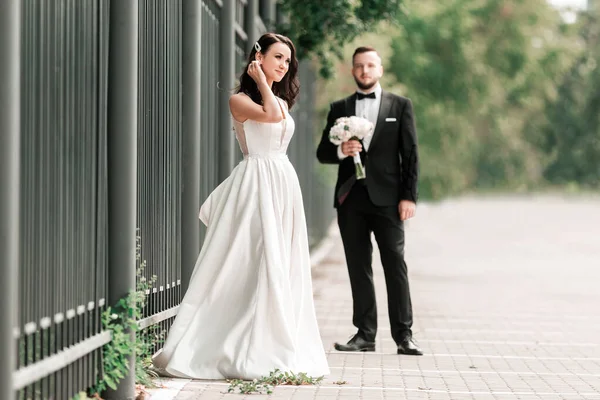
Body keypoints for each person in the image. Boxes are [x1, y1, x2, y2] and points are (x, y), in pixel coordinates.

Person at [153, 33, 330, 380]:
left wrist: (268, 85)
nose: (282, 65)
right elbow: (271, 117)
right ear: (258, 57)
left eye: (287, 61)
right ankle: (228, 344)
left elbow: (277, 113)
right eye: (277, 57)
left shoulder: (278, 98)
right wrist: (262, 82)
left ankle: (271, 340)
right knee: (252, 258)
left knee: (280, 260)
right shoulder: (239, 100)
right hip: (256, 184)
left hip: (281, 183)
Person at [316, 46, 423, 356]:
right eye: (359, 66)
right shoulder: (339, 108)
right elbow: (323, 152)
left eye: (370, 65)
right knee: (358, 267)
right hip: (351, 199)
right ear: (353, 70)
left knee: (395, 265)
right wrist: (341, 151)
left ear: (380, 69)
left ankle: (404, 335)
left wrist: (409, 196)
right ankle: (365, 335)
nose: (365, 70)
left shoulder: (401, 105)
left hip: (389, 201)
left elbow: (411, 154)